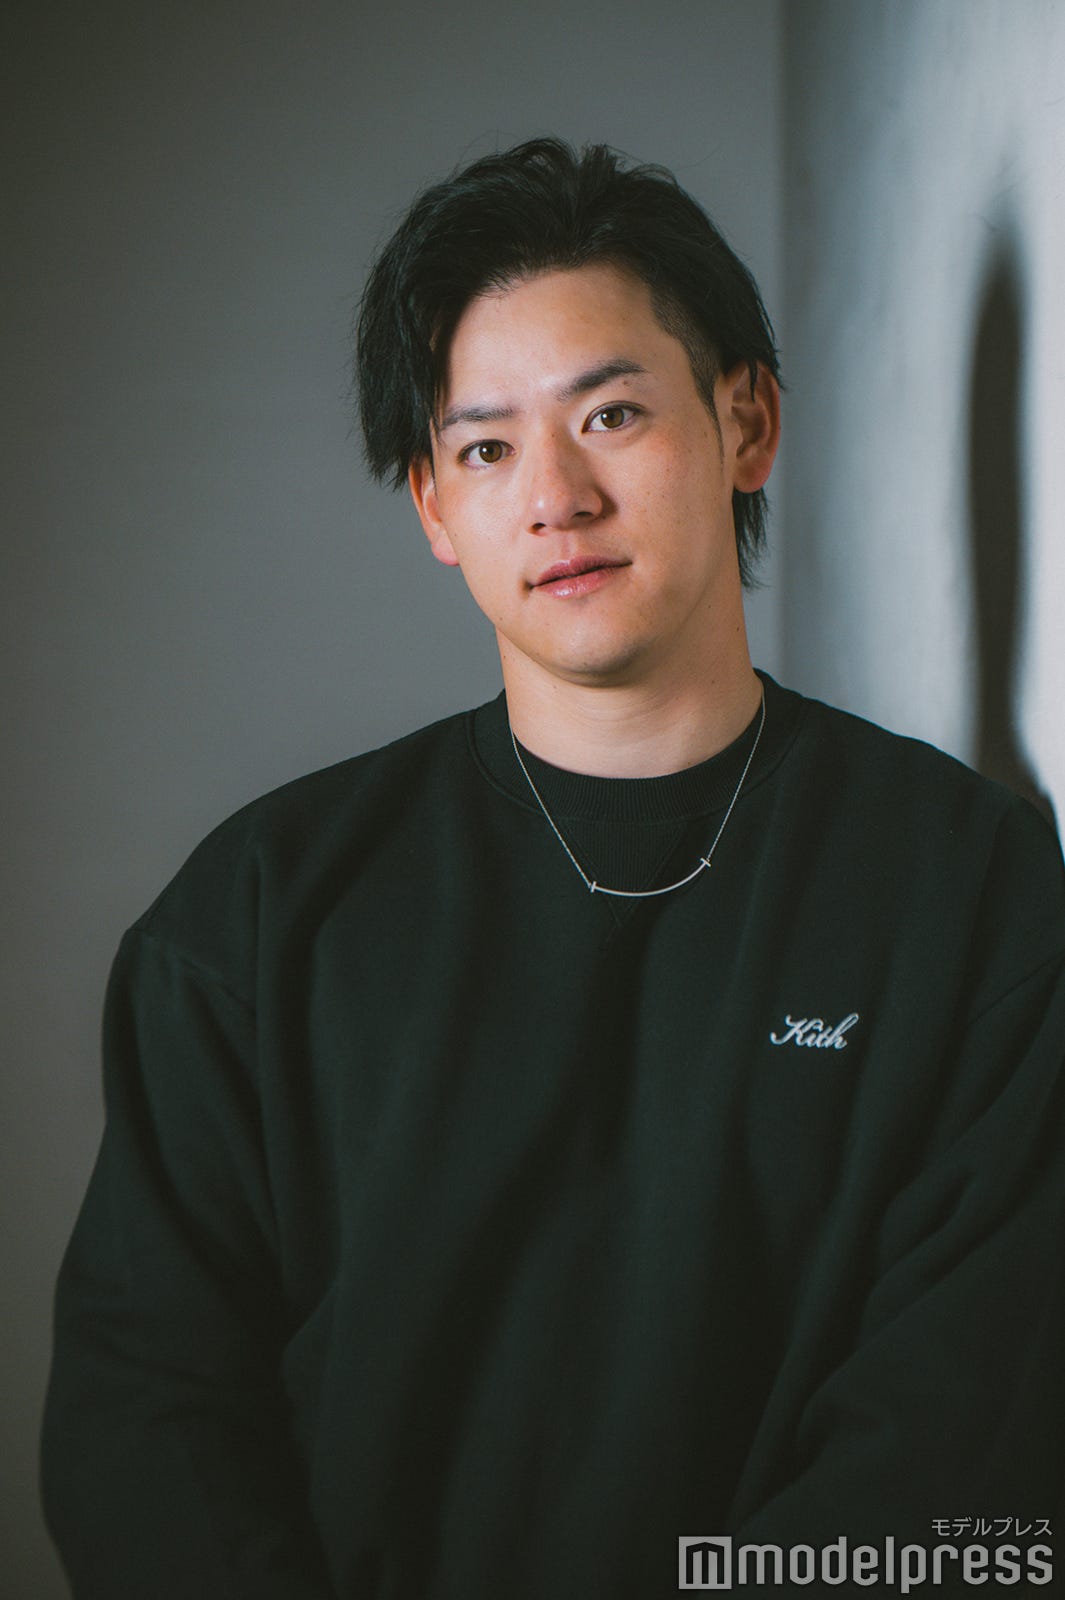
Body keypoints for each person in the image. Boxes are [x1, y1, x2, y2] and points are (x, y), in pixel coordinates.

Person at [42, 138, 1064, 1598]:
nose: (555, 495)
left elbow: (971, 1431)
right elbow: (147, 1430)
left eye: (612, 415)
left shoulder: (969, 887)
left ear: (747, 422)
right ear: (432, 507)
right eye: (485, 449)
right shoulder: (259, 918)